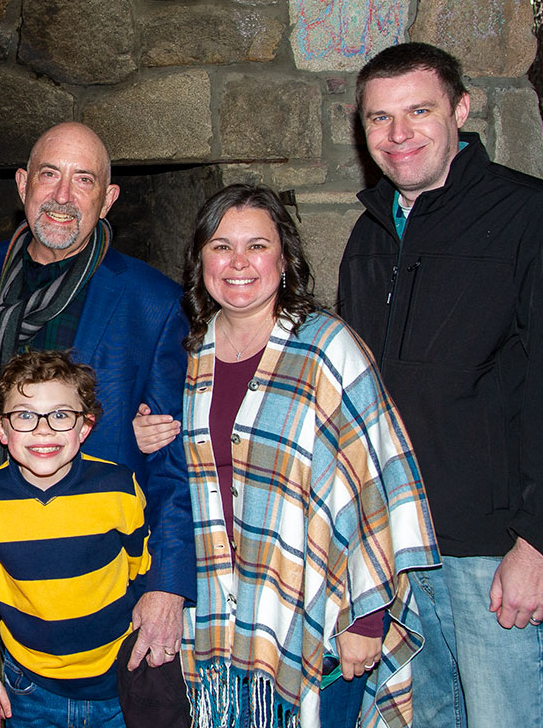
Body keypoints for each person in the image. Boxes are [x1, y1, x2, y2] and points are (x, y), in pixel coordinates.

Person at [337, 42, 543, 728]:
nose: (398, 135)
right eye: (379, 119)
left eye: (419, 111)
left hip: (494, 554)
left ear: (461, 108)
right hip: (400, 548)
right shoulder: (368, 238)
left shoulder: (539, 219)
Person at [179, 184, 438, 728]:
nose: (239, 263)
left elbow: (376, 483)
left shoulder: (327, 346)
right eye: (221, 246)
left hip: (322, 615)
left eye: (257, 245)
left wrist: (367, 619)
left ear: (284, 256)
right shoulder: (189, 351)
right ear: (200, 258)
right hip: (224, 618)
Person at [0, 121, 192, 670]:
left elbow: (171, 460)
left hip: (95, 591)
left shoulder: (152, 301)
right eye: (49, 175)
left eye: (84, 180)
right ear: (23, 185)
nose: (63, 196)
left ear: (108, 198)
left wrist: (167, 585)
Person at [0, 350, 149, 728]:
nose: (43, 430)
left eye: (61, 415)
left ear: (85, 427)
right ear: (1, 429)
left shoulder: (119, 488)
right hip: (29, 689)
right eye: (25, 416)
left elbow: (140, 573)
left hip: (116, 683)